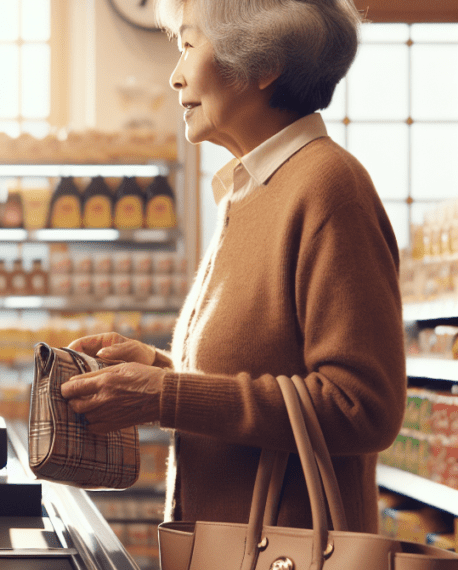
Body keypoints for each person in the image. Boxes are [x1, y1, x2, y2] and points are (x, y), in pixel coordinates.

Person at [60, 0, 406, 534]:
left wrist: (165, 395)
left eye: (188, 46)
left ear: (264, 64)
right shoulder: (251, 188)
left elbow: (361, 407)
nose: (175, 77)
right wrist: (160, 370)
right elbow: (261, 375)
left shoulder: (329, 189)